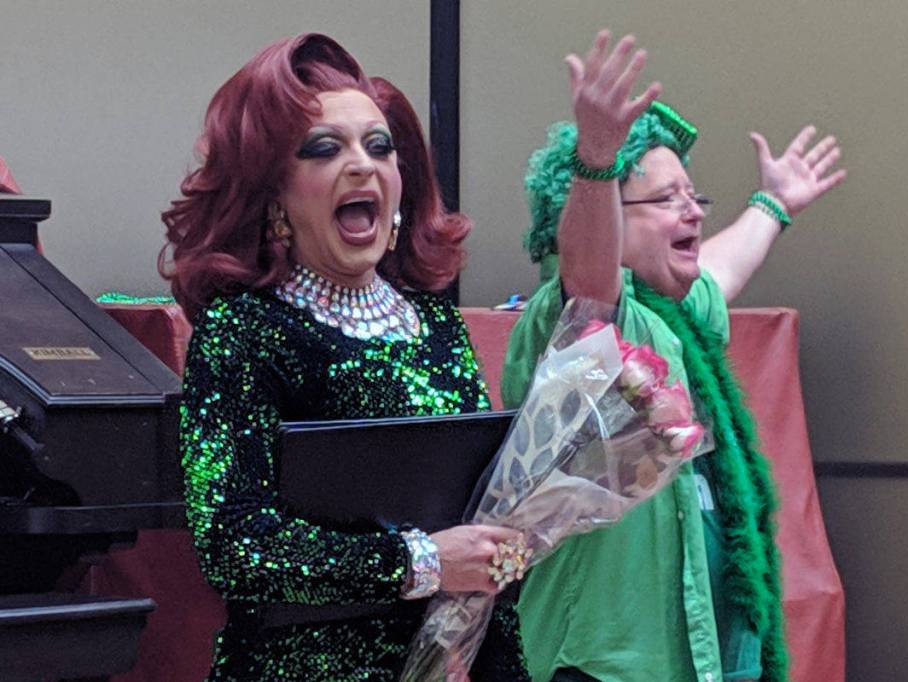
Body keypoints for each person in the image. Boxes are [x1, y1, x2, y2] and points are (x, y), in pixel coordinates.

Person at [160, 34, 529, 681]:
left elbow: (479, 539)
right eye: (325, 148)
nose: (362, 164)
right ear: (276, 194)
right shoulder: (241, 329)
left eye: (378, 146)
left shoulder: (437, 323)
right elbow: (234, 546)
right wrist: (422, 562)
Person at [502, 31, 845, 682]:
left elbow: (721, 267)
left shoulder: (678, 315)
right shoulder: (579, 320)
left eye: (694, 196)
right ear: (600, 216)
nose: (692, 209)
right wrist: (597, 160)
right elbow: (589, 277)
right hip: (602, 665)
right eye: (666, 199)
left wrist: (772, 204)